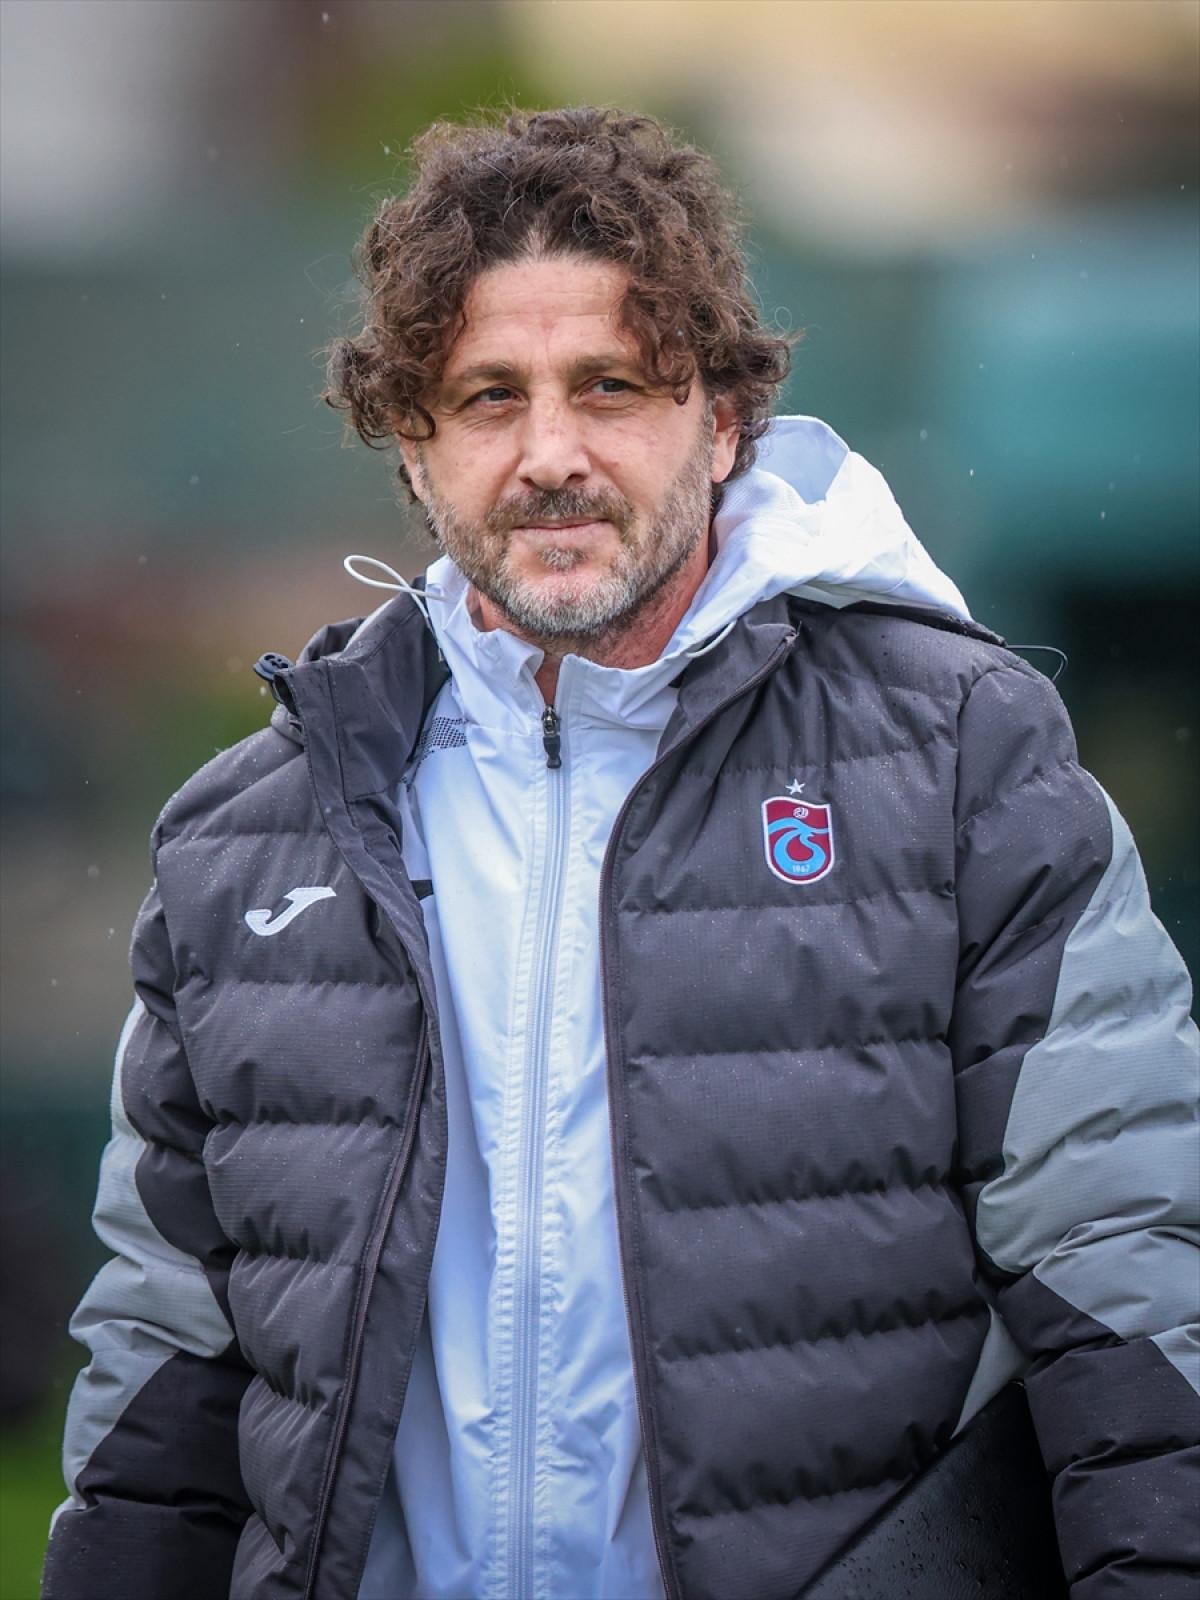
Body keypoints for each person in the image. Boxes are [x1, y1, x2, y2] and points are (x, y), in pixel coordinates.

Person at [43, 107, 1198, 1600]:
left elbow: (1131, 1273)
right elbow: (160, 1387)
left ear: (721, 421)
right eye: (487, 397)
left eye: (611, 385)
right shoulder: (244, 840)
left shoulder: (964, 756)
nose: (551, 455)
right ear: (415, 447)